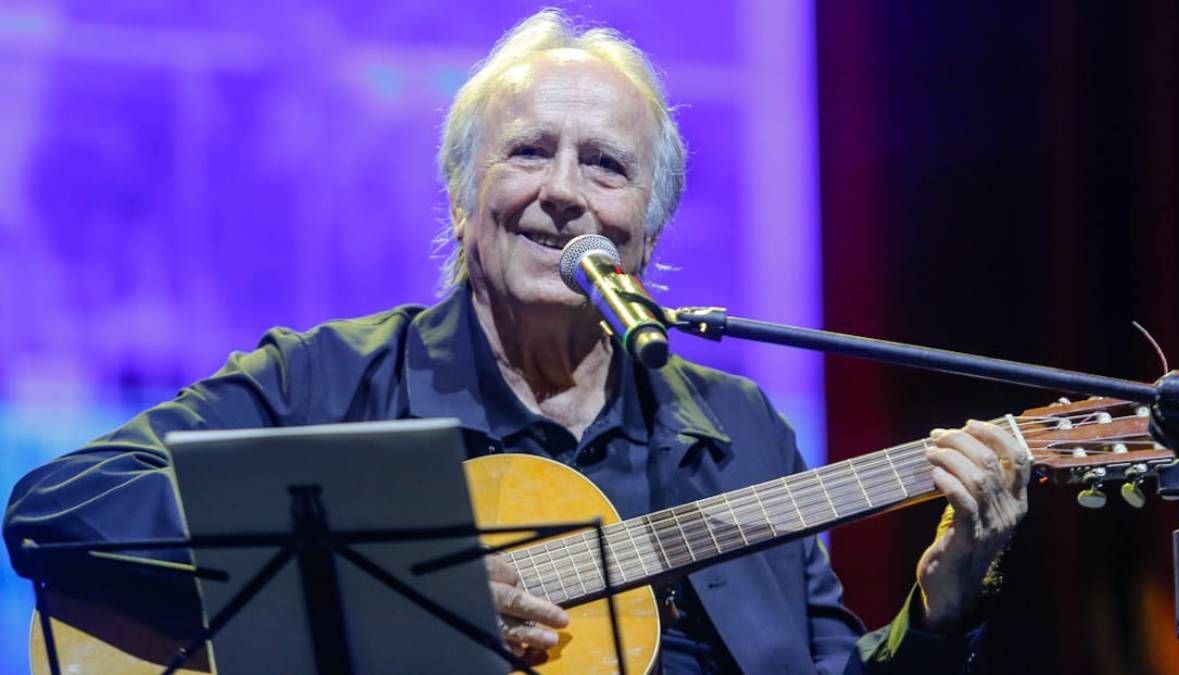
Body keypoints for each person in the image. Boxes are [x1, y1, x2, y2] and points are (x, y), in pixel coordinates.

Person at [4, 10, 1029, 674]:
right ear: (460, 197)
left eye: (606, 167)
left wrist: (940, 613)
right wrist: (395, 594)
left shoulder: (738, 429)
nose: (562, 193)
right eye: (530, 151)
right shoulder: (332, 378)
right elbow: (56, 509)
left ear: (649, 227)